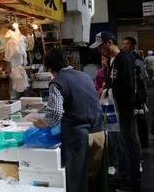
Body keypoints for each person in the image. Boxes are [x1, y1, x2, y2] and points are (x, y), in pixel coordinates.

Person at [33, 48, 103, 192]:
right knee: (94, 176)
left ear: (50, 68)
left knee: (76, 178)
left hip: (78, 136)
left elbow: (55, 113)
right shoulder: (84, 75)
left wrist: (43, 122)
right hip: (99, 132)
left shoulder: (57, 82)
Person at [90, 31, 141, 191]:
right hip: (113, 109)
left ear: (109, 42)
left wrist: (108, 91)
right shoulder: (113, 60)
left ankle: (132, 180)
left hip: (123, 110)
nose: (100, 50)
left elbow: (129, 87)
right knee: (118, 144)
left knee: (127, 144)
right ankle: (122, 175)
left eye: (101, 46)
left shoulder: (125, 59)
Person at [122, 36, 149, 149]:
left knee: (140, 119)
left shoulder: (137, 59)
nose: (124, 46)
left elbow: (144, 76)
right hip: (130, 93)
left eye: (127, 44)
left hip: (138, 94)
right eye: (123, 44)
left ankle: (144, 143)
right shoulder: (125, 58)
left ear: (133, 45)